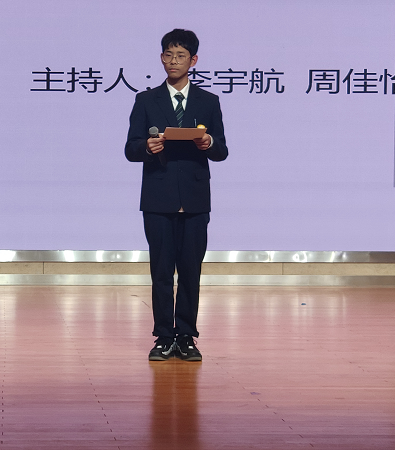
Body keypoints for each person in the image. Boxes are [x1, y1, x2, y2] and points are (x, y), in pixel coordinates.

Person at [124, 29, 228, 362]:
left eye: (180, 55)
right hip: (158, 197)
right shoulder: (146, 100)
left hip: (195, 199)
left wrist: (207, 142)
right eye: (168, 55)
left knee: (190, 271)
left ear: (193, 60)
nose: (173, 61)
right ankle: (163, 337)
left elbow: (221, 151)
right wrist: (147, 147)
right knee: (161, 272)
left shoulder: (208, 102)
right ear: (161, 58)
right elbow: (130, 148)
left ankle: (186, 336)